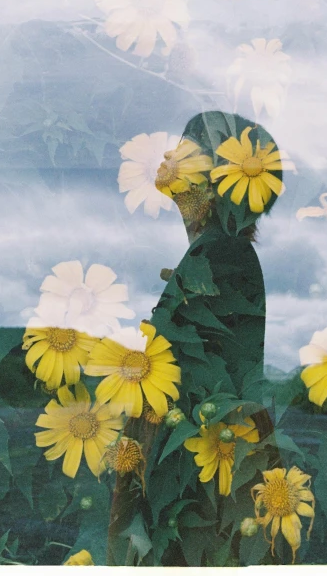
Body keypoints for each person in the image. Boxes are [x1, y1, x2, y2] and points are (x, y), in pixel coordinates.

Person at [106, 111, 286, 566]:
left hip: (202, 477)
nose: (168, 156)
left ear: (214, 178)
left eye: (185, 149)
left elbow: (206, 397)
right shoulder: (217, 254)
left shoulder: (221, 255)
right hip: (204, 468)